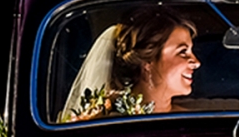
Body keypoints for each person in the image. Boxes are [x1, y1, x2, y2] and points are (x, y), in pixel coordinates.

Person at [61, 7, 199, 121]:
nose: (197, 63)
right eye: (183, 52)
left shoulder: (198, 116)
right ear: (148, 61)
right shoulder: (109, 123)